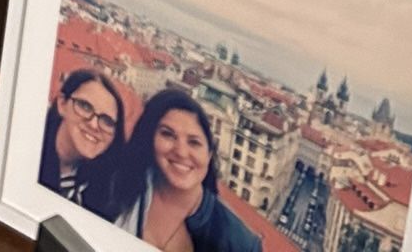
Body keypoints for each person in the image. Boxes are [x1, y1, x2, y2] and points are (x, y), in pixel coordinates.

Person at [111, 88, 259, 252]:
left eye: (194, 142)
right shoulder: (115, 187)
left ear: (209, 154)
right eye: (168, 135)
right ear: (149, 139)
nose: (181, 152)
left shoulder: (239, 243)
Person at [37, 67, 128, 215]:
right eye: (85, 107)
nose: (93, 124)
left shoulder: (107, 193)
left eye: (107, 121)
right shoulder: (30, 151)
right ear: (62, 104)